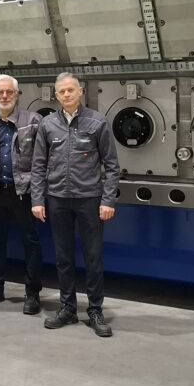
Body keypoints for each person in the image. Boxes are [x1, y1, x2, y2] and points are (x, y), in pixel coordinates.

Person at [31, 72, 120, 337]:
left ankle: (95, 310)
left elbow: (112, 165)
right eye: (62, 91)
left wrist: (108, 200)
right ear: (56, 95)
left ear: (80, 91)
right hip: (57, 199)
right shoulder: (47, 124)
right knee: (63, 258)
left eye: (71, 90)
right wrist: (37, 199)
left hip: (90, 199)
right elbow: (38, 165)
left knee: (93, 258)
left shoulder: (97, 122)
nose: (67, 94)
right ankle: (67, 307)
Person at [0, 74, 43, 315]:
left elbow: (43, 160)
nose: (4, 96)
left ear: (17, 94)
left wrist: (39, 192)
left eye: (9, 92)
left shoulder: (33, 122)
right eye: (0, 92)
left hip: (24, 193)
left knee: (30, 242)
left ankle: (32, 293)